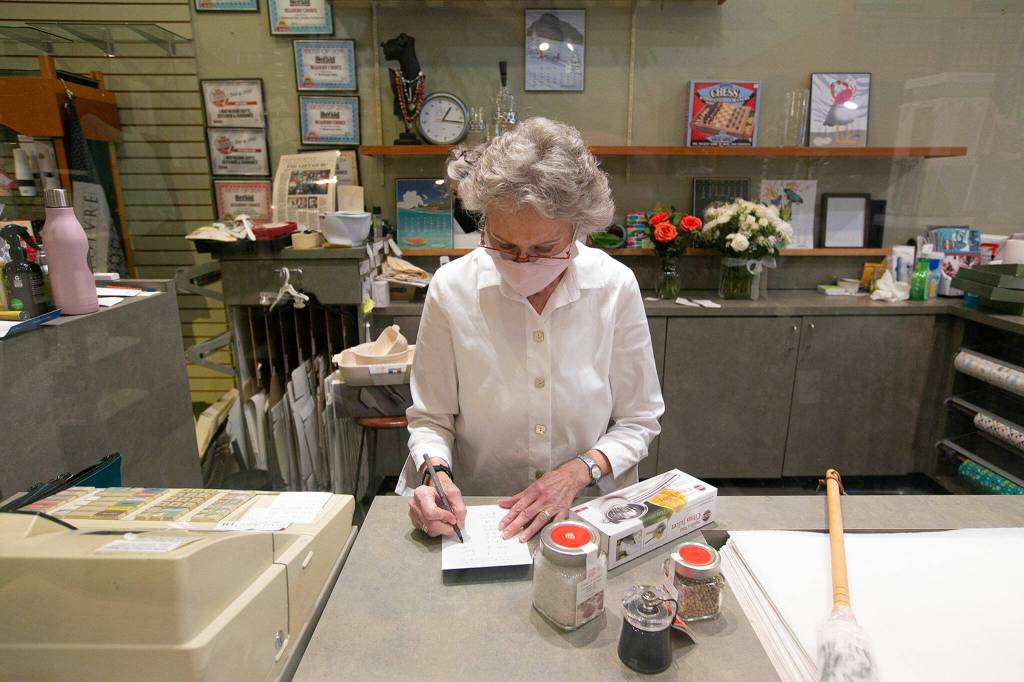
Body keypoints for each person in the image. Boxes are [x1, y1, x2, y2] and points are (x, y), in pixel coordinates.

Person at [398, 117, 665, 543]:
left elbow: (639, 419)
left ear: (578, 228)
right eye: (503, 245)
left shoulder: (613, 286)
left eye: (543, 249)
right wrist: (436, 475)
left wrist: (579, 472)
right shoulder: (452, 289)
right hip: (482, 516)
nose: (521, 263)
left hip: (587, 513)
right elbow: (431, 417)